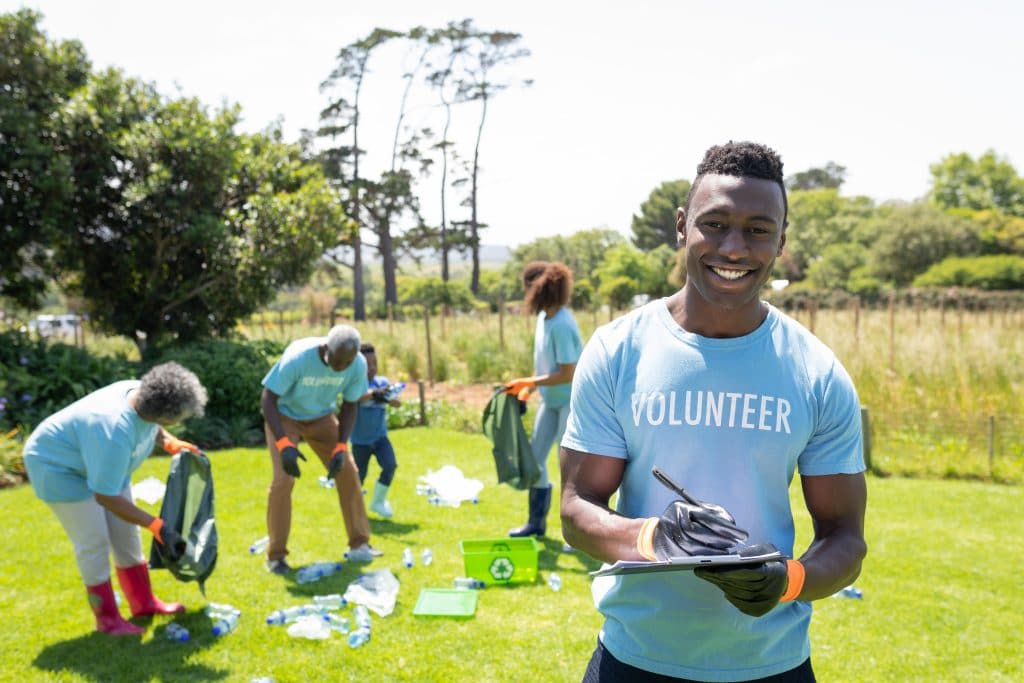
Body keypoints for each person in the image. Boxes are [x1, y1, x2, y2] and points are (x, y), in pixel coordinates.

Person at [560, 141, 868, 682]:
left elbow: (845, 538)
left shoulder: (815, 371)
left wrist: (788, 580)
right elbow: (577, 509)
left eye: (757, 229)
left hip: (772, 666)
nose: (733, 248)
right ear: (682, 225)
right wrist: (656, 538)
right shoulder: (617, 351)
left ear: (781, 240)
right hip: (633, 660)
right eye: (715, 223)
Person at [22, 362, 209, 636]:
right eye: (178, 418)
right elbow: (106, 497)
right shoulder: (113, 431)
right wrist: (157, 526)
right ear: (163, 411)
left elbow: (150, 425)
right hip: (58, 468)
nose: (180, 421)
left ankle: (144, 603)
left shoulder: (141, 394)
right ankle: (107, 619)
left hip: (99, 459)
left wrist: (169, 442)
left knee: (126, 534)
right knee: (93, 541)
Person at [260, 323, 382, 573]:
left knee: (348, 470)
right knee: (283, 480)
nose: (339, 368)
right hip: (284, 416)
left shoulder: (357, 364)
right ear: (326, 347)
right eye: (335, 361)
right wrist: (283, 443)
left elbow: (350, 405)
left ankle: (359, 545)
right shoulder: (298, 357)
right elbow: (268, 398)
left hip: (321, 417)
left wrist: (340, 446)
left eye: (344, 364)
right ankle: (276, 556)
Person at [504, 261, 583, 537]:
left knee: (569, 470)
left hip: (571, 403)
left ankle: (574, 534)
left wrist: (528, 382)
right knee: (536, 459)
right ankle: (536, 524)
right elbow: (547, 368)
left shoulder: (562, 324)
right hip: (550, 401)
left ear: (539, 289)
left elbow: (568, 373)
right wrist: (531, 388)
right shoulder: (544, 319)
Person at [352, 343, 402, 518]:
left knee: (390, 465)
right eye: (368, 365)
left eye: (375, 363)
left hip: (380, 438)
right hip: (360, 441)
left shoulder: (382, 382)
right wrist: (374, 394)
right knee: (359, 477)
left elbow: (395, 401)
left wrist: (392, 398)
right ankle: (354, 509)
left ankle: (378, 502)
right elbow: (357, 397)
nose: (372, 368)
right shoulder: (355, 383)